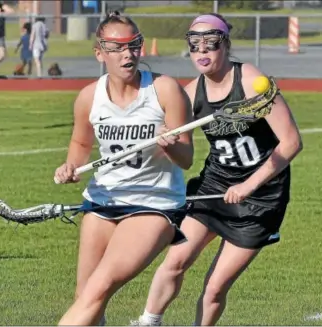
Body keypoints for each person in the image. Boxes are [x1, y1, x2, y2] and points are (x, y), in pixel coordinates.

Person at [132, 13, 303, 326]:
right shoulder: (190, 93)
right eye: (194, 44)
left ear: (225, 45)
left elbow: (291, 142)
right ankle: (148, 322)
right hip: (214, 187)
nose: (202, 51)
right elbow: (183, 158)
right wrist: (168, 143)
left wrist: (248, 187)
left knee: (214, 287)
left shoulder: (252, 82)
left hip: (260, 198)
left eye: (210, 43)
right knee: (175, 261)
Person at [53, 11, 194, 326]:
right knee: (86, 299)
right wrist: (72, 166)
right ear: (99, 53)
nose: (127, 54)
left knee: (99, 288)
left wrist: (171, 145)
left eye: (134, 45)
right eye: (116, 48)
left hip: (152, 203)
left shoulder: (165, 90)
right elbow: (80, 144)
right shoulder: (89, 97)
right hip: (102, 201)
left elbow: (187, 158)